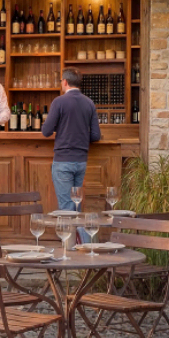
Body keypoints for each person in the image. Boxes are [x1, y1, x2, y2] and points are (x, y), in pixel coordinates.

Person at [40, 67, 102, 237]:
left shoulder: (59, 102)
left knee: (67, 208)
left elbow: (46, 131)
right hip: (81, 161)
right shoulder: (89, 103)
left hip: (63, 161)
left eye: (61, 81)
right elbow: (96, 135)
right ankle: (84, 247)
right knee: (76, 206)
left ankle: (76, 250)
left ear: (65, 82)